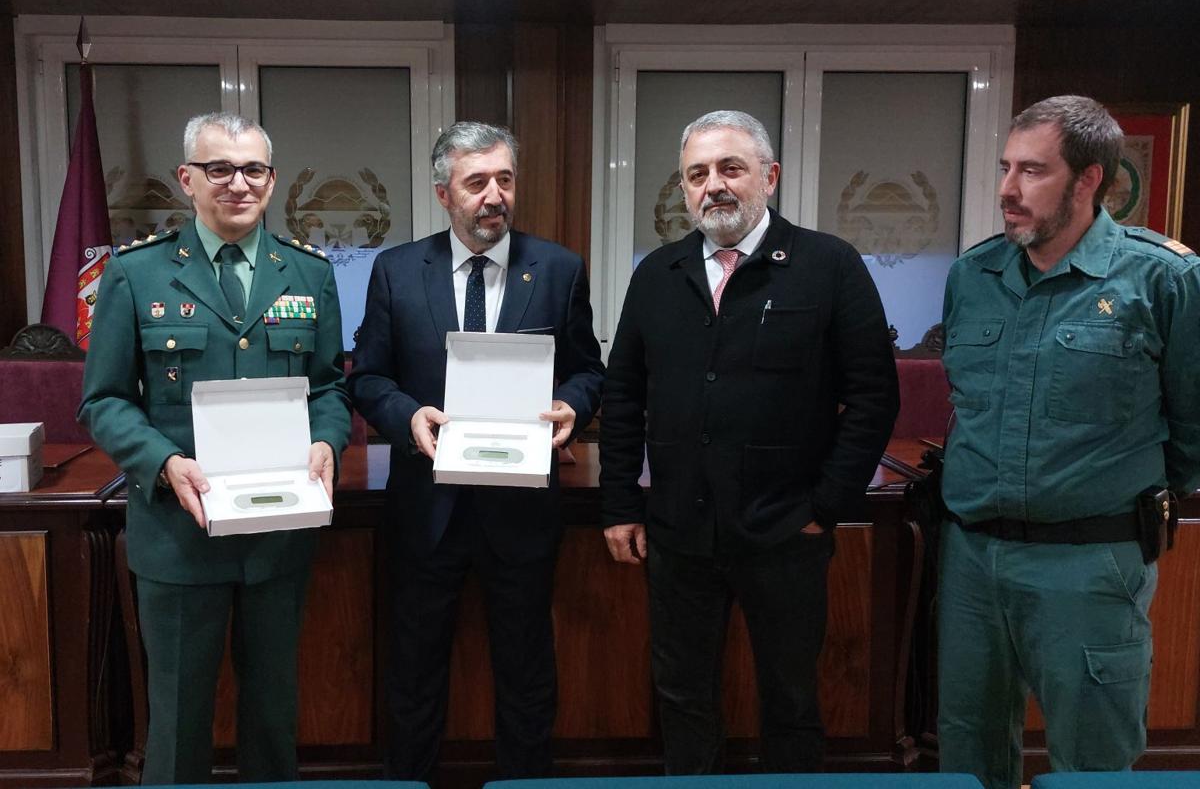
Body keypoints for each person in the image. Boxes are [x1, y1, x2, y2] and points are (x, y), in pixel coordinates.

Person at [599, 109, 899, 773]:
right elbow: (622, 395)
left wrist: (826, 505)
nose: (715, 186)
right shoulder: (658, 274)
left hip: (785, 533)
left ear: (769, 175)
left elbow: (874, 396)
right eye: (697, 174)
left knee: (790, 703)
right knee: (682, 698)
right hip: (679, 534)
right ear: (683, 189)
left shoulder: (829, 265)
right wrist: (620, 502)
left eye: (731, 168)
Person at [79, 111, 351, 783]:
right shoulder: (136, 275)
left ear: (272, 179)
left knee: (272, 717)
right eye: (219, 169)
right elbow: (104, 400)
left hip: (277, 535)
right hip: (178, 536)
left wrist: (327, 443)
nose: (238, 183)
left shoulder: (308, 274)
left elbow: (328, 388)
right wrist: (163, 464)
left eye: (253, 169)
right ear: (187, 179)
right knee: (175, 724)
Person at [938, 95, 1200, 789]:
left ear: (1088, 180)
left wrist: (1120, 498)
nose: (1006, 190)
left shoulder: (1165, 278)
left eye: (1032, 171)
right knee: (966, 754)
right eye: (1005, 168)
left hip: (1090, 561)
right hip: (973, 558)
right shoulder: (974, 275)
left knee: (1092, 760)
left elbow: (1194, 429)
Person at [348, 121, 604, 782]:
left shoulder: (558, 269)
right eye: (477, 182)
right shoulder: (397, 270)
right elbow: (369, 378)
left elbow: (589, 369)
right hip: (425, 507)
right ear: (443, 193)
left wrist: (574, 404)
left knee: (525, 669)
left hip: (521, 508)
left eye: (505, 179)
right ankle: (410, 782)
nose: (495, 195)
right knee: (415, 668)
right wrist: (409, 417)